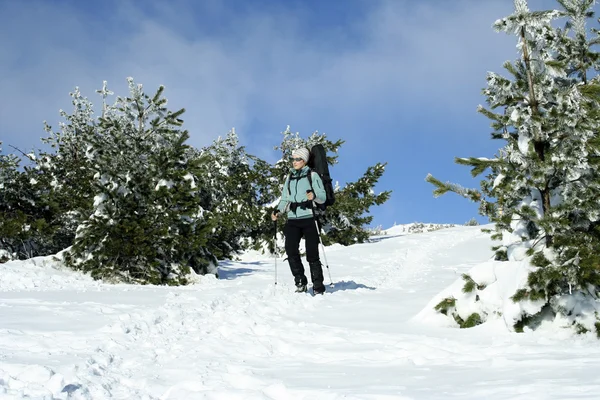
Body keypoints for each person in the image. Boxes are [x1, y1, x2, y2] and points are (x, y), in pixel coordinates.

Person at [272, 147, 327, 294]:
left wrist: (313, 196)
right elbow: (285, 199)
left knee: (312, 254)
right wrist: (278, 211)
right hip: (292, 219)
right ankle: (300, 281)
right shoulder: (289, 177)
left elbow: (323, 196)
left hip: (309, 217)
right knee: (291, 251)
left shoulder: (312, 175)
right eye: (293, 159)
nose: (294, 162)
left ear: (304, 161)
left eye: (297, 159)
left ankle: (318, 286)